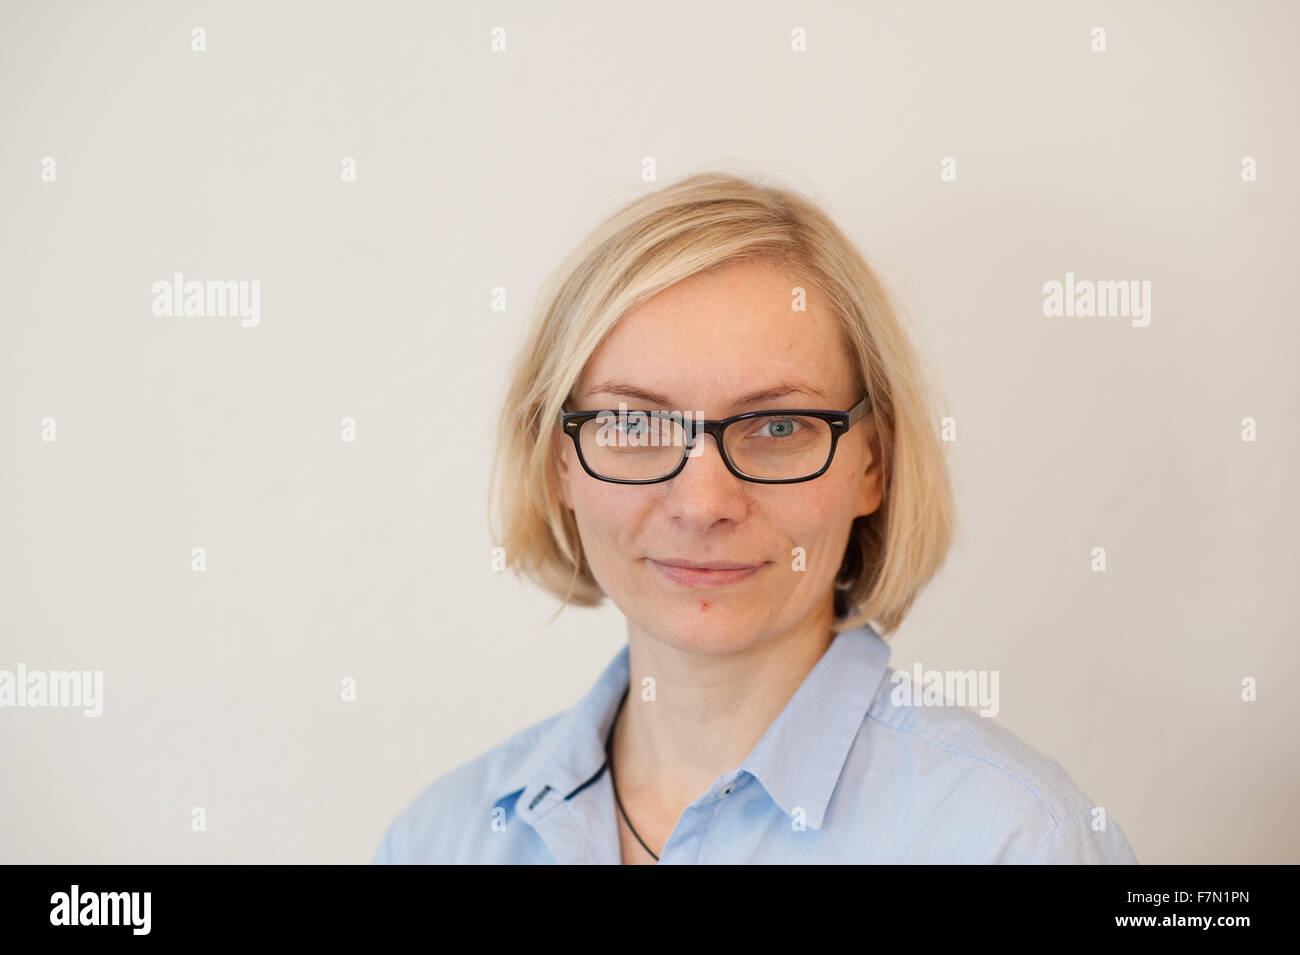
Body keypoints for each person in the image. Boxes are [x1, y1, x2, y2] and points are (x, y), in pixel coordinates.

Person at [373, 171, 1138, 864]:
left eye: (777, 426)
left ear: (873, 463)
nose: (703, 503)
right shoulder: (439, 840)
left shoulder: (1017, 841)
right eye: (636, 425)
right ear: (558, 461)